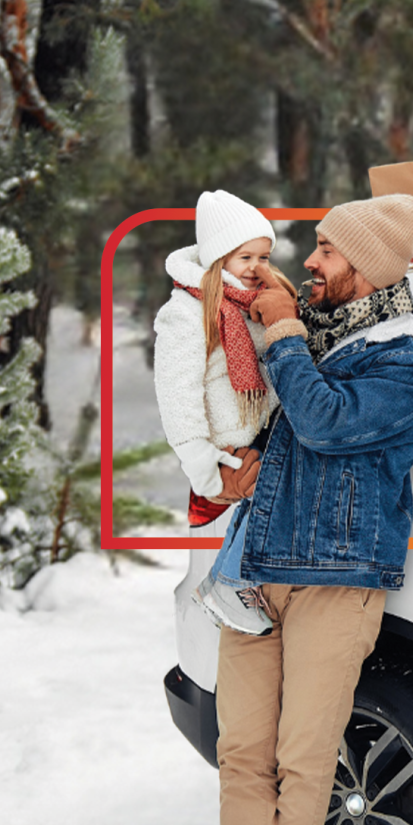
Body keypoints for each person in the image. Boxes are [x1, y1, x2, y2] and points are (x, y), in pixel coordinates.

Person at [214, 193, 413, 825]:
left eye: (326, 248)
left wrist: (285, 327)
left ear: (366, 265)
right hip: (256, 572)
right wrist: (241, 467)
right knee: (240, 755)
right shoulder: (316, 335)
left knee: (305, 762)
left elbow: (323, 423)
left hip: (334, 584)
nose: (310, 260)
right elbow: (280, 430)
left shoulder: (408, 365)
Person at [153, 189, 296, 635]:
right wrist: (206, 469)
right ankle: (229, 586)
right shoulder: (188, 313)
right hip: (225, 459)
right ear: (219, 261)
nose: (257, 267)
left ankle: (231, 585)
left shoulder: (252, 305)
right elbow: (177, 395)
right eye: (245, 257)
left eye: (264, 256)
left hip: (258, 440)